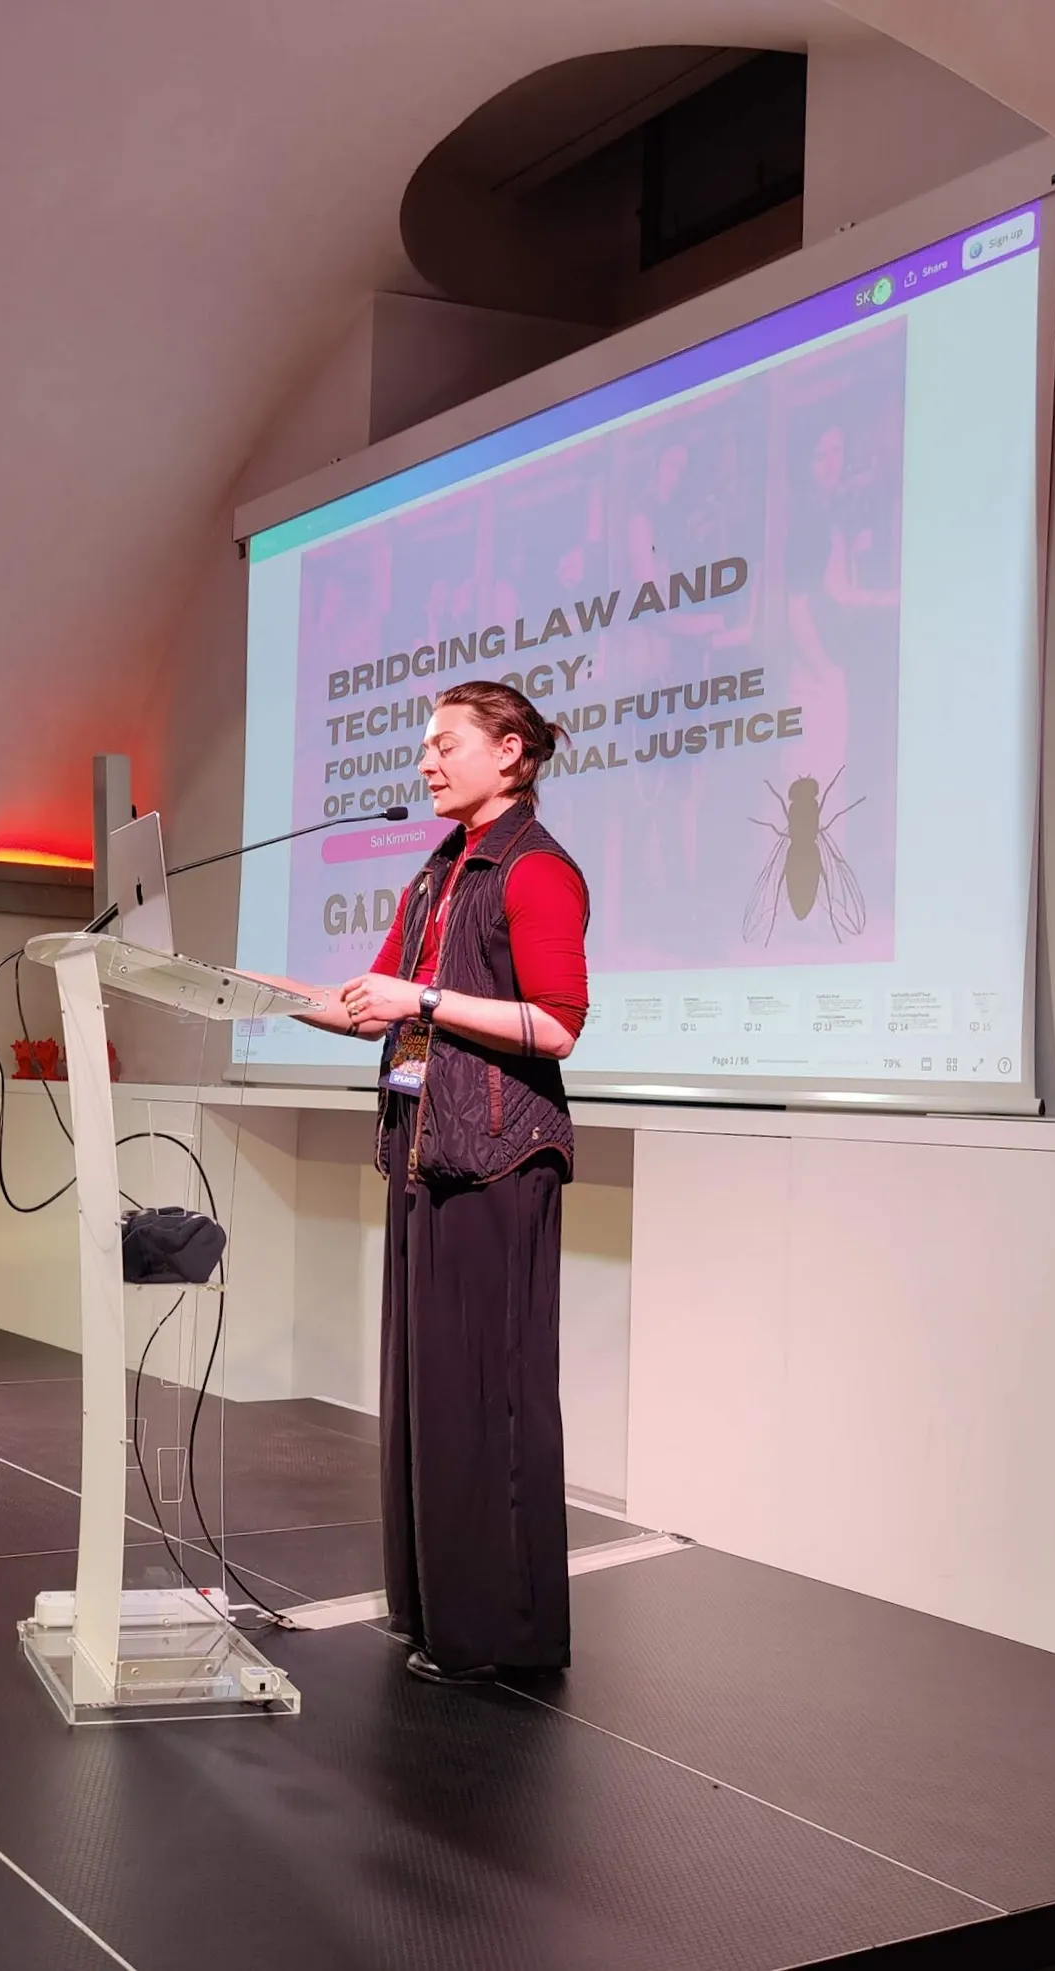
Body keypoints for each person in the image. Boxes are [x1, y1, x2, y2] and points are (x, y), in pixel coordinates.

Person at [273, 679, 589, 1685]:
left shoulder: (535, 869)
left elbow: (557, 1025)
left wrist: (426, 997)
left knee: (489, 1400)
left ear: (510, 752)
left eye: (445, 743)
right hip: (426, 1150)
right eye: (425, 746)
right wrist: (247, 993)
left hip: (498, 1161)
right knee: (430, 1399)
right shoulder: (436, 873)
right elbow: (366, 1005)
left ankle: (501, 1634)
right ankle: (439, 1618)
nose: (425, 762)